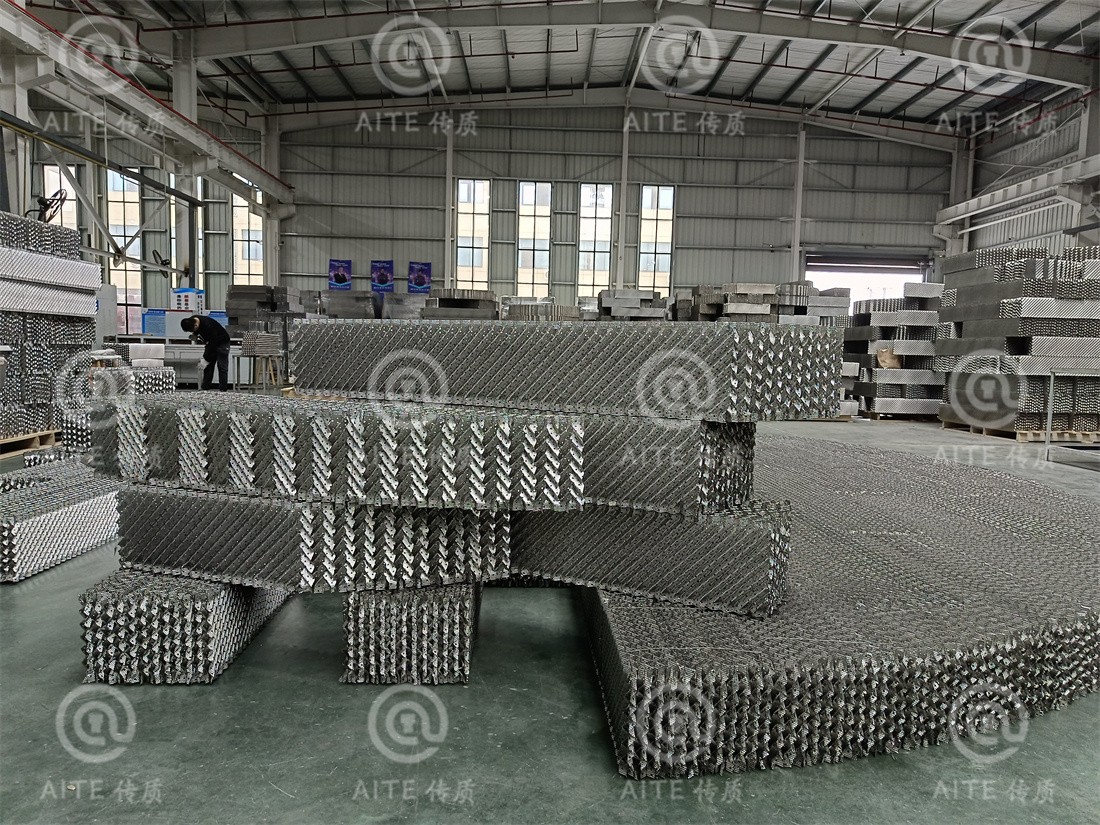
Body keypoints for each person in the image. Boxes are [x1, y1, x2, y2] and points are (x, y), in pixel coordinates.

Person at [181, 315, 231, 391]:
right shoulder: (193, 319)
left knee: (222, 367)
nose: (192, 332)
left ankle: (223, 390)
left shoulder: (208, 326)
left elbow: (213, 343)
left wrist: (206, 359)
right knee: (208, 367)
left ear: (196, 325)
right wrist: (195, 335)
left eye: (192, 330)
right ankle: (205, 388)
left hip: (222, 342)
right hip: (210, 342)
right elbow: (209, 345)